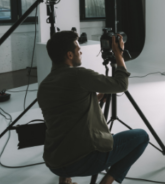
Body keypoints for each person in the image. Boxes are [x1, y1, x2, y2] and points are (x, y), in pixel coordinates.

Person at [37, 31, 149, 184]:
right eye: (78, 49)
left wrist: (94, 99)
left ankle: (64, 181)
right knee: (141, 137)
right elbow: (121, 85)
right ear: (69, 55)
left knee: (62, 133)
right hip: (85, 161)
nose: (80, 51)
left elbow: (65, 113)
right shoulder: (79, 75)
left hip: (54, 163)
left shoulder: (44, 86)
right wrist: (119, 55)